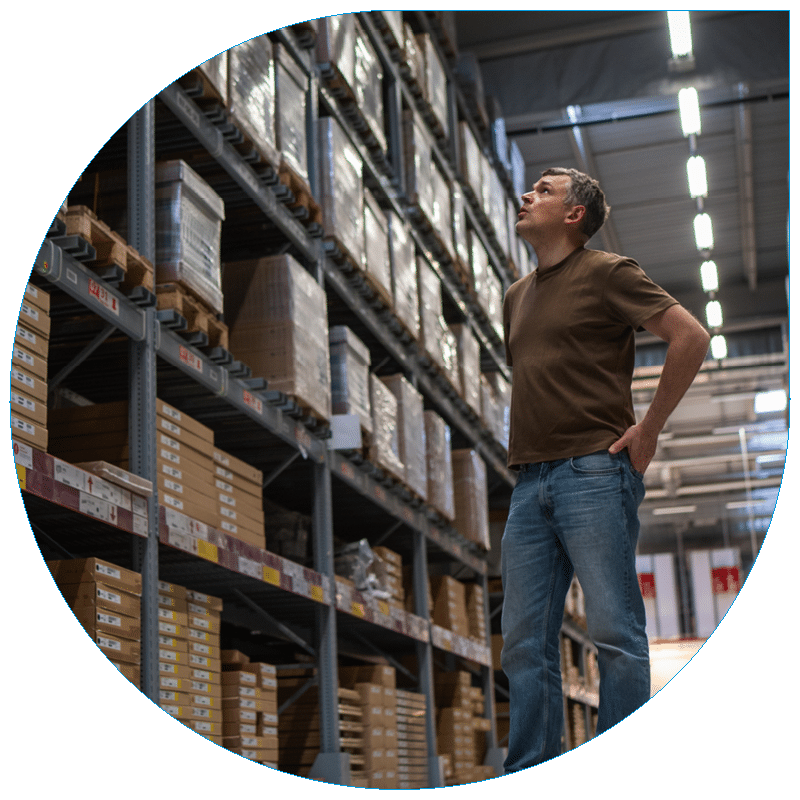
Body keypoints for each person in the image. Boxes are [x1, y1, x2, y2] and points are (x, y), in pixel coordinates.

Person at [500, 167, 710, 771]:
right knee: (522, 643)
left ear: (575, 215)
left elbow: (689, 337)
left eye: (542, 190)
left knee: (615, 634)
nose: (526, 196)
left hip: (594, 473)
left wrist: (649, 430)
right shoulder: (516, 295)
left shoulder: (608, 272)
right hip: (528, 482)